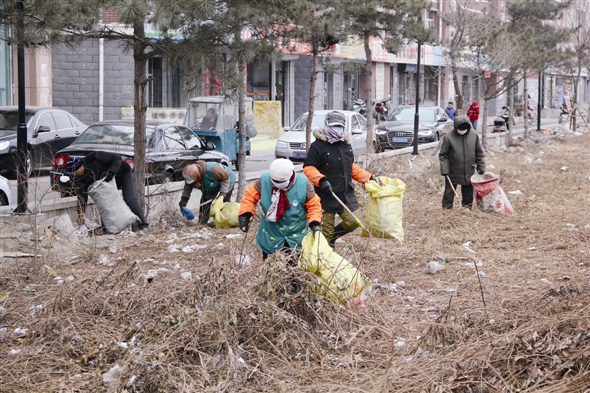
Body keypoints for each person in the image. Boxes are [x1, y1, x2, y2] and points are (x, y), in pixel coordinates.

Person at [303, 110, 375, 247]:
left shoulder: (345, 145)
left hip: (345, 194)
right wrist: (321, 180)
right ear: (326, 125)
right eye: (334, 126)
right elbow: (309, 168)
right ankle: (326, 255)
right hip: (326, 197)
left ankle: (332, 238)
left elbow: (350, 168)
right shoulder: (317, 146)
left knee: (353, 221)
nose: (337, 129)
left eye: (340, 126)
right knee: (326, 232)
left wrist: (368, 178)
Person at [238, 158, 322, 260]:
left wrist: (315, 223)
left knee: (294, 269)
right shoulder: (264, 181)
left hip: (296, 235)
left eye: (281, 181)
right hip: (271, 234)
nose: (278, 184)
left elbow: (314, 205)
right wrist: (245, 214)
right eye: (275, 181)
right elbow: (249, 197)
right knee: (271, 267)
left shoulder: (303, 183)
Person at [66, 152, 149, 230]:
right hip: (107, 182)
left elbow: (117, 158)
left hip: (122, 173)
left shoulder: (94, 157)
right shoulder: (80, 179)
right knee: (104, 203)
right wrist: (80, 217)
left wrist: (111, 172)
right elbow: (82, 197)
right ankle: (108, 228)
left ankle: (144, 224)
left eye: (75, 172)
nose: (74, 174)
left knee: (129, 198)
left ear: (80, 166)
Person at [439, 115, 486, 209]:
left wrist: (481, 167)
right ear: (456, 127)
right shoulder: (448, 137)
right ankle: (447, 209)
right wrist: (444, 169)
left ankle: (467, 208)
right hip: (453, 170)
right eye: (460, 128)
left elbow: (479, 153)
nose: (462, 130)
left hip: (469, 170)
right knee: (449, 192)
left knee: (468, 192)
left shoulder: (474, 136)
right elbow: (443, 155)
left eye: (464, 128)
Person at [179, 160, 235, 224]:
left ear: (198, 176)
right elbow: (187, 188)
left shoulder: (213, 170)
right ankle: (202, 222)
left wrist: (223, 194)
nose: (192, 183)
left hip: (227, 179)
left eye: (193, 181)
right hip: (211, 185)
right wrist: (183, 203)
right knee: (205, 202)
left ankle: (225, 222)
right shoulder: (190, 176)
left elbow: (226, 178)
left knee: (223, 202)